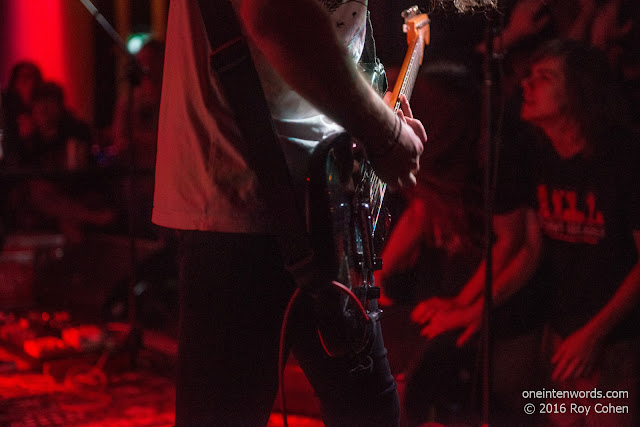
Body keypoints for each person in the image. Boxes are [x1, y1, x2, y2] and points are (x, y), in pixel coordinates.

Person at [151, 1, 426, 426]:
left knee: (369, 411)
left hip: (328, 205)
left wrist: (377, 122)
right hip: (241, 202)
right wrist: (386, 136)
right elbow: (273, 16)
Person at [413, 39, 640, 425]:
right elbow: (529, 250)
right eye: (530, 76)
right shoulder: (539, 155)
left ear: (578, 90)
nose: (527, 85)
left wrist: (593, 335)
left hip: (618, 339)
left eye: (545, 77)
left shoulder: (623, 159)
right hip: (561, 332)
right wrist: (469, 308)